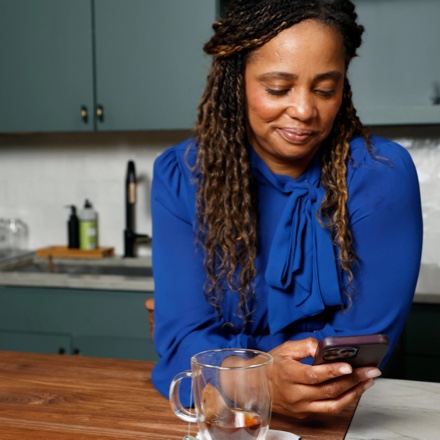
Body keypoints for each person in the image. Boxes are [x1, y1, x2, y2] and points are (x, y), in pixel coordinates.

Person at [149, 0, 423, 419]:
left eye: (325, 89)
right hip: (226, 427)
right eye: (278, 88)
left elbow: (354, 352)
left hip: (349, 419)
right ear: (234, 81)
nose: (304, 110)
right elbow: (181, 341)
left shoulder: (379, 174)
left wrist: (231, 372)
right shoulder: (182, 175)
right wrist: (262, 381)